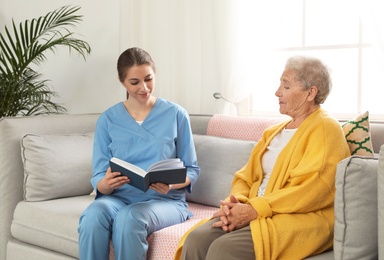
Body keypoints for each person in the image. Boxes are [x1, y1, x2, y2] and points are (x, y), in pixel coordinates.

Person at [176, 56, 350, 260]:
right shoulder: (273, 132)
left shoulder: (326, 128)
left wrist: (254, 210)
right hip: (256, 209)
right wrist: (236, 204)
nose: (277, 92)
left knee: (224, 250)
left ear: (310, 93)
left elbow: (311, 190)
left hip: (297, 218)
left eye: (285, 86)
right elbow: (245, 176)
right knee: (195, 240)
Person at [78, 47, 200, 260]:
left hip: (166, 202)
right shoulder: (108, 120)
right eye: (134, 82)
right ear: (122, 81)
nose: (144, 88)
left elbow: (192, 169)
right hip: (119, 198)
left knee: (130, 218)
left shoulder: (176, 114)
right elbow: (98, 175)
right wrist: (106, 184)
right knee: (92, 215)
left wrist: (170, 184)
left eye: (149, 79)